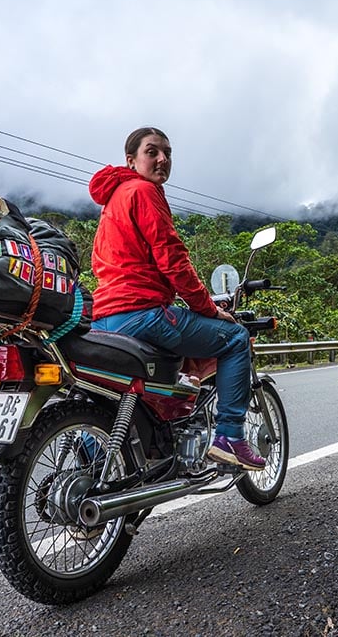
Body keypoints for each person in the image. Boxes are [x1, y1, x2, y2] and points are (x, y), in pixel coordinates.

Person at [87, 127, 265, 470]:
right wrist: (207, 308)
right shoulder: (145, 191)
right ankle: (229, 436)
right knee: (236, 339)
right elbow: (172, 259)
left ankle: (95, 456)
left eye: (167, 153)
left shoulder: (114, 200)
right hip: (141, 314)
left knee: (115, 391)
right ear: (131, 160)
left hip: (104, 318)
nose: (162, 159)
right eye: (152, 152)